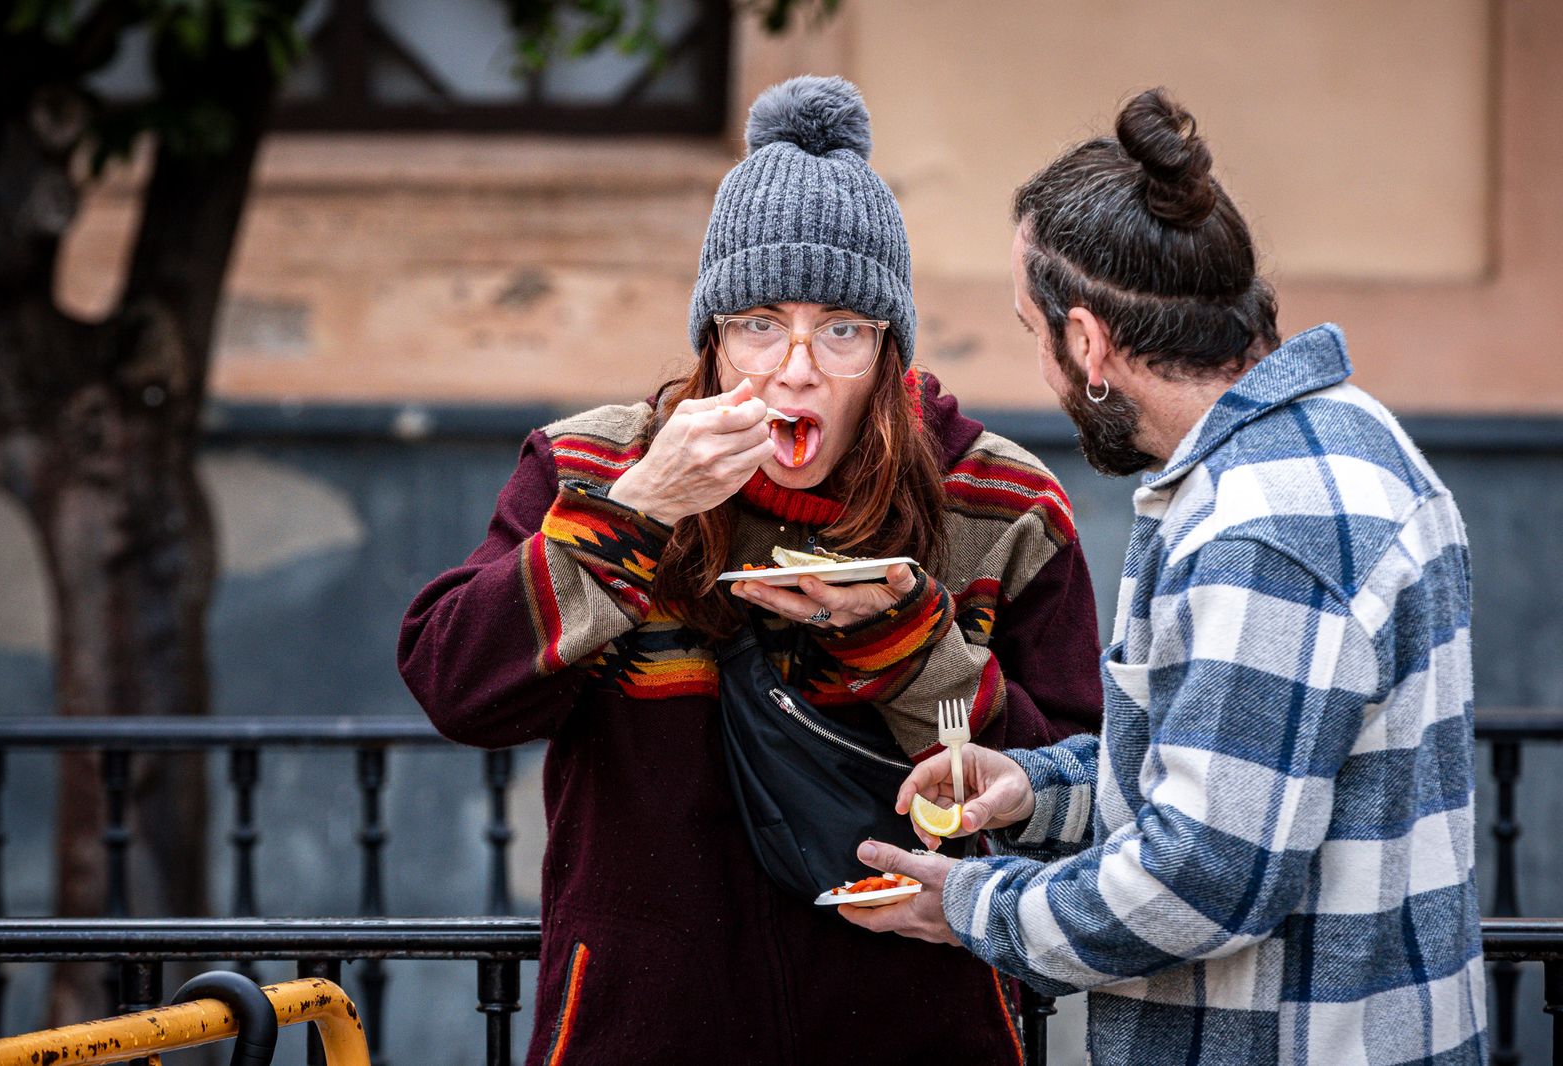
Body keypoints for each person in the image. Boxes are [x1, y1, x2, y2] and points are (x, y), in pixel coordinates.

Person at [398, 75, 1104, 1064]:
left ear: (891, 351)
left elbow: (1074, 808)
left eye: (843, 329)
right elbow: (455, 686)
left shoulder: (996, 503)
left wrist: (904, 642)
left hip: (909, 1024)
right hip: (644, 1025)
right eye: (760, 323)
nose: (796, 367)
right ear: (713, 339)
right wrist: (638, 512)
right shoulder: (594, 466)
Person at [841, 88, 1488, 1064]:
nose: (1050, 375)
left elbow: (1200, 880)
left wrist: (972, 904)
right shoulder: (1350, 439)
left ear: (1089, 342)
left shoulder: (1261, 531)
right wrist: (1034, 786)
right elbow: (1233, 779)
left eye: (1036, 332)